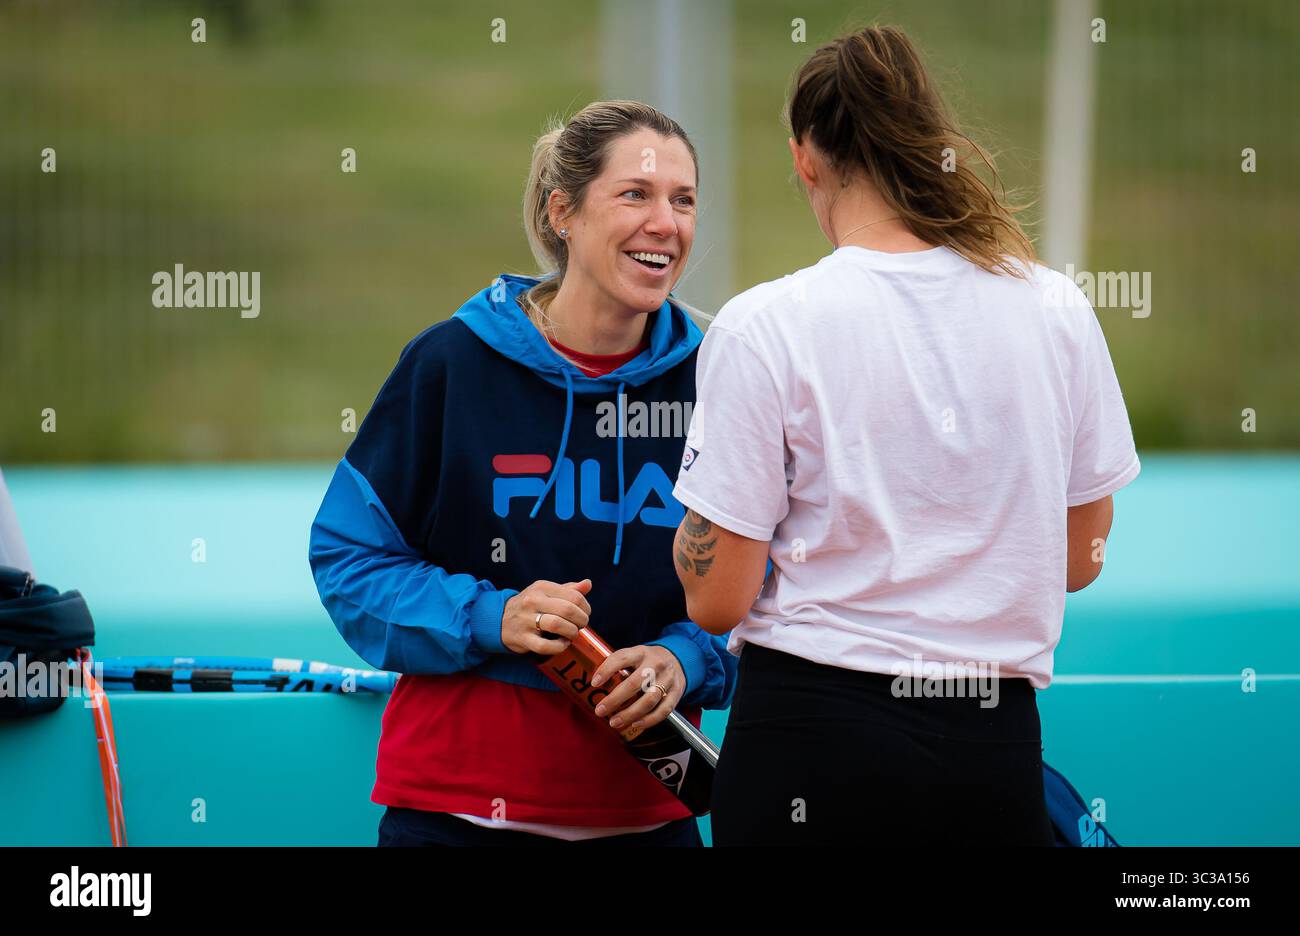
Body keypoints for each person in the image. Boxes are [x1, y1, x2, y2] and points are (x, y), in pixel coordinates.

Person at [671, 26, 1140, 845]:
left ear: (805, 159)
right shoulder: (1056, 308)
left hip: (807, 738)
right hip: (988, 744)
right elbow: (1076, 560)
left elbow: (717, 600)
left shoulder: (766, 324)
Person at [309, 100, 736, 846]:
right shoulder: (451, 363)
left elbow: (780, 594)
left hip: (645, 820)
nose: (666, 223)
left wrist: (685, 658)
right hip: (453, 816)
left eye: (684, 200)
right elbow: (348, 561)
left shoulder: (725, 381)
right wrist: (490, 617)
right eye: (635, 194)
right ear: (562, 211)